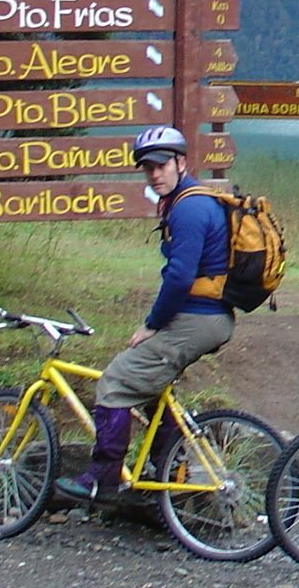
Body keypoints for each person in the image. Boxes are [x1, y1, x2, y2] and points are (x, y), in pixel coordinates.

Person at [54, 126, 234, 502]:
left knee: (116, 381)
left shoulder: (189, 207)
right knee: (150, 386)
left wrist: (152, 324)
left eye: (161, 165)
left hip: (198, 318)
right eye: (147, 168)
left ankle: (100, 482)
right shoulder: (191, 200)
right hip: (205, 315)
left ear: (180, 163)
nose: (154, 174)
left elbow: (181, 277)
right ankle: (168, 471)